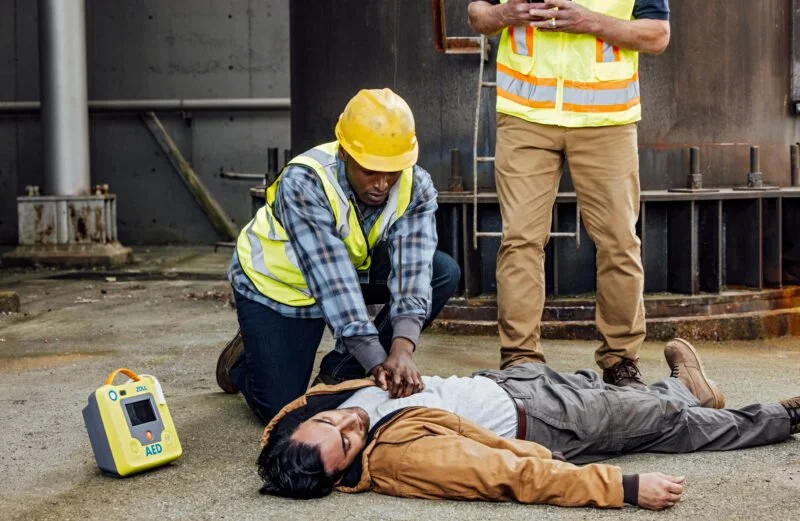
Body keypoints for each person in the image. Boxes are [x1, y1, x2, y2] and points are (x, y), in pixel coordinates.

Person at [256, 338, 799, 511]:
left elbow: (295, 418)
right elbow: (505, 473)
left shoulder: (316, 414)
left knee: (667, 428)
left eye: (332, 421)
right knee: (667, 418)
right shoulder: (400, 458)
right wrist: (623, 488)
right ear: (345, 471)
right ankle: (690, 390)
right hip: (543, 421)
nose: (350, 421)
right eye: (347, 441)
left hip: (514, 385)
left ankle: (769, 414)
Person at [216, 88, 461, 424]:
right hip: (281, 288)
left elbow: (414, 267)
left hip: (350, 272)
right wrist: (376, 360)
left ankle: (340, 373)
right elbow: (332, 281)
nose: (382, 183)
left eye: (392, 171)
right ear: (345, 154)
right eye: (370, 170)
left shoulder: (416, 185)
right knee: (283, 412)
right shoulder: (305, 182)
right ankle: (245, 357)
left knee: (441, 271)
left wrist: (402, 350)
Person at [467, 0, 671, 387]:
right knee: (520, 239)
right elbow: (478, 14)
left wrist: (588, 21)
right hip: (525, 115)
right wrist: (507, 15)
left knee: (619, 242)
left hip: (606, 121)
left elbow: (657, 35)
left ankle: (620, 360)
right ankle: (521, 361)